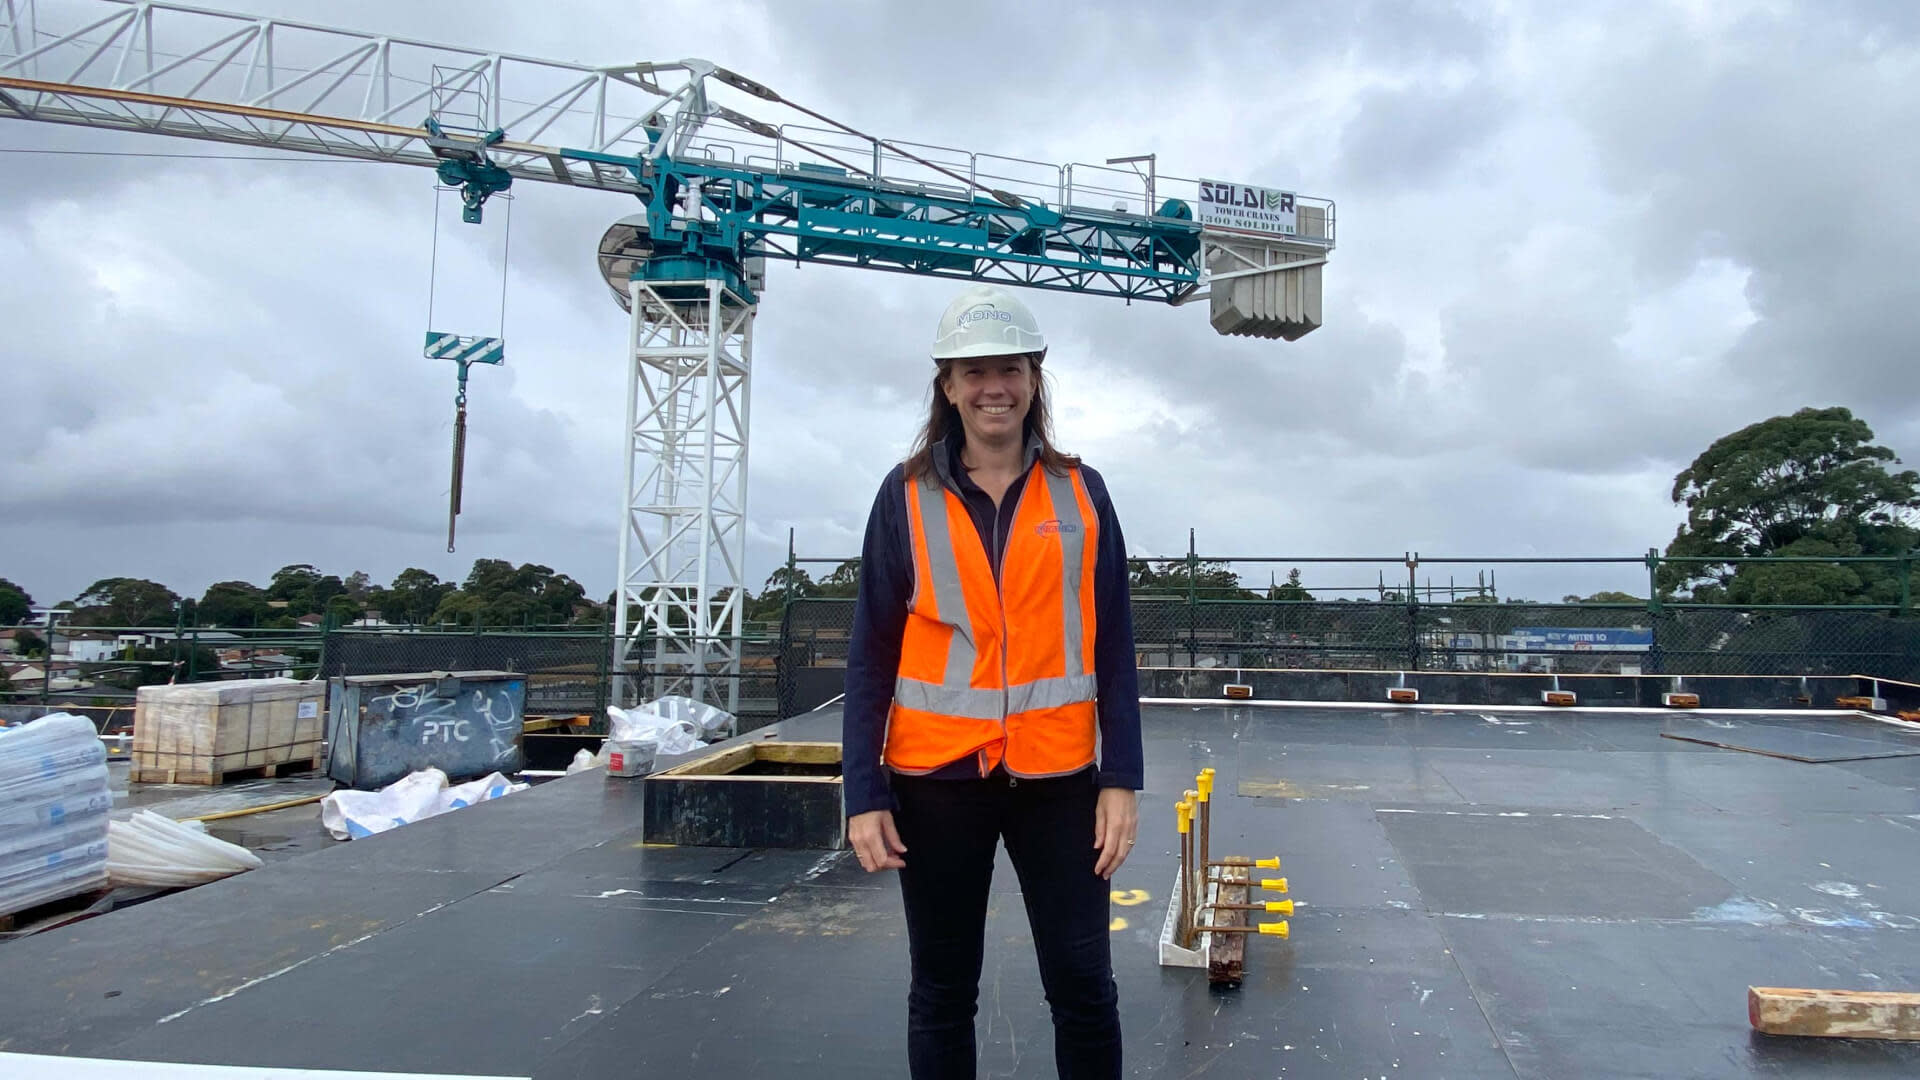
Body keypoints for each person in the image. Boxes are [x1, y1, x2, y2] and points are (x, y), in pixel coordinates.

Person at [842, 283, 1144, 1080]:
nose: (992, 388)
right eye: (973, 372)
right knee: (942, 992)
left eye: (1007, 369)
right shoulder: (905, 495)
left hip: (1060, 781)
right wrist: (862, 792)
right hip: (937, 781)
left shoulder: (1082, 492)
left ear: (1035, 378)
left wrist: (1122, 779)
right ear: (947, 385)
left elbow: (1114, 643)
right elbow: (871, 652)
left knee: (1083, 985)